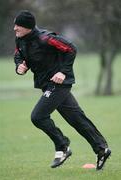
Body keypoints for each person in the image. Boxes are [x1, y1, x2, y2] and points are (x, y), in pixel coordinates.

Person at [13, 10, 111, 170]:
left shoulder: (46, 38)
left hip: (58, 84)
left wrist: (63, 72)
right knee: (77, 119)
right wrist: (20, 66)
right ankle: (102, 149)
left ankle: (62, 146)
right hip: (46, 84)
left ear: (28, 27)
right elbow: (19, 55)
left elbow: (71, 49)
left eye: (18, 26)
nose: (15, 29)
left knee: (38, 116)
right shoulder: (21, 40)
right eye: (15, 25)